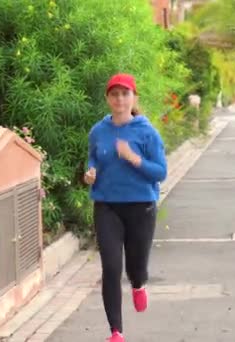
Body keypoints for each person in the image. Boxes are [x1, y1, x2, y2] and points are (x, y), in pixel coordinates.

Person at [84, 73, 167, 342]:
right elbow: (92, 159)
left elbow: (160, 172)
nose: (120, 99)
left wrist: (134, 158)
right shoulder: (98, 131)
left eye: (125, 93)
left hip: (140, 207)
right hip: (107, 206)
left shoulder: (146, 132)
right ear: (108, 99)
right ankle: (116, 332)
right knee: (110, 268)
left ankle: (139, 284)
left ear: (133, 98)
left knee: (136, 267)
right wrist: (90, 172)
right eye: (114, 94)